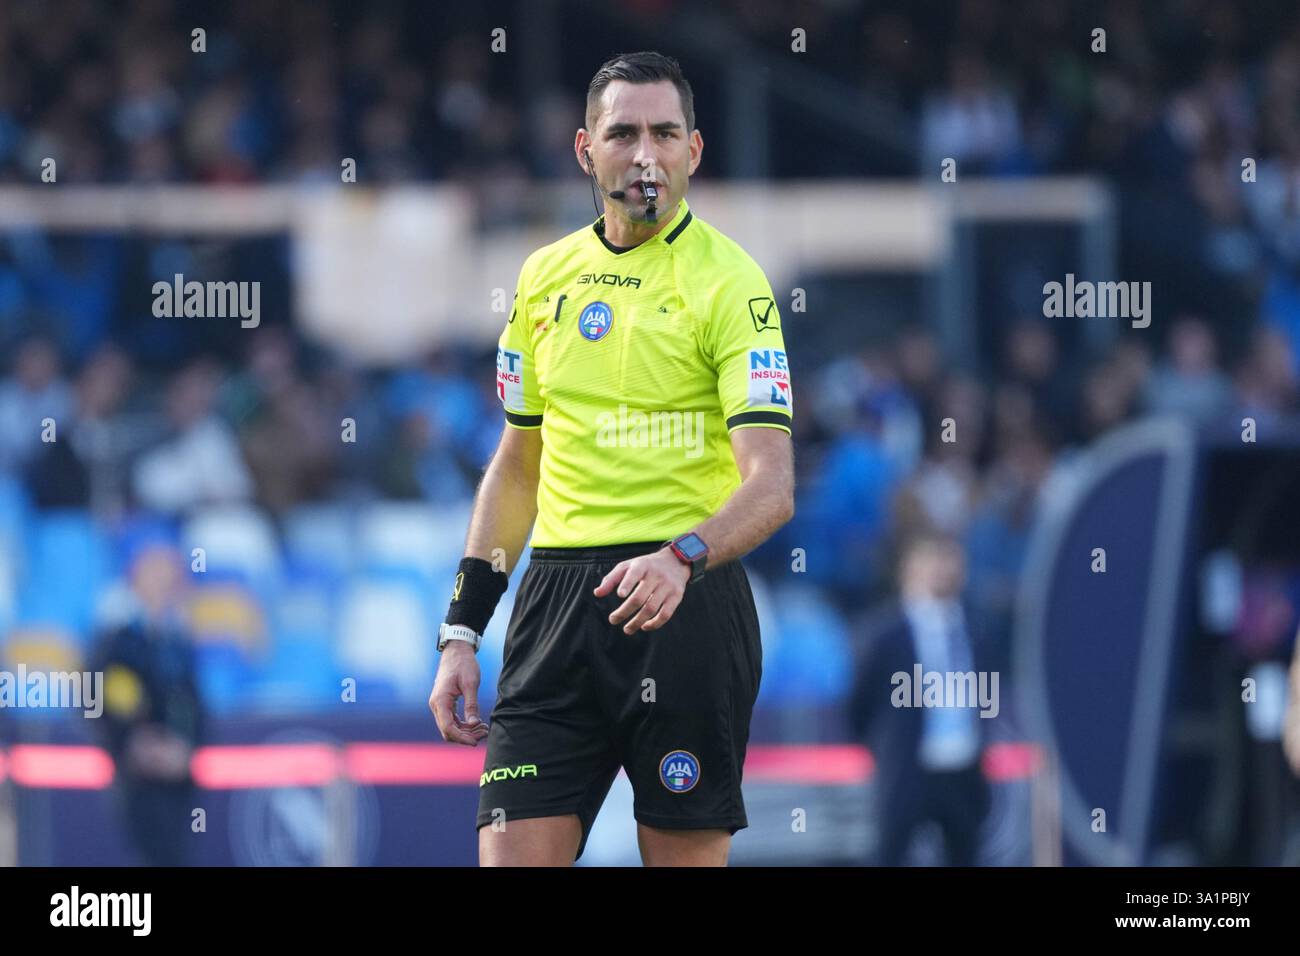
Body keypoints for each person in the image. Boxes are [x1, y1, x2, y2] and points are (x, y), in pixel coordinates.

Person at [428, 51, 795, 867]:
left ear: (693, 152)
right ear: (584, 150)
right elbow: (516, 468)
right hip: (556, 607)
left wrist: (681, 557)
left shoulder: (734, 285)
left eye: (666, 134)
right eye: (622, 133)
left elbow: (771, 486)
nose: (645, 155)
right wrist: (462, 630)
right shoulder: (542, 279)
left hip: (685, 606)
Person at [847, 532, 991, 866]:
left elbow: (987, 694)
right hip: (908, 771)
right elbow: (859, 706)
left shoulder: (976, 629)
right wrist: (888, 747)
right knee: (892, 855)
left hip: (963, 770)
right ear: (908, 568)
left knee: (966, 854)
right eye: (931, 559)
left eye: (949, 558)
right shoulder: (884, 634)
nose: (941, 569)